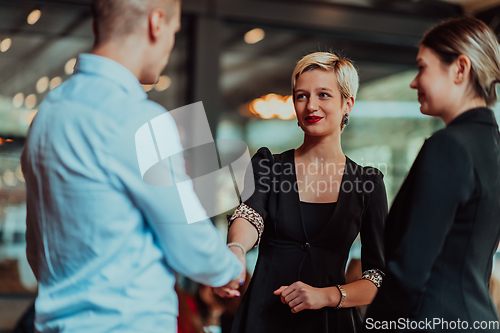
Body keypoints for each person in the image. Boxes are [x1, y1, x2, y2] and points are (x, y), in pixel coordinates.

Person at [20, 0, 243, 332]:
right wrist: (230, 267)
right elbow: (190, 242)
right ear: (156, 23)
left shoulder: (47, 115)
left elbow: (38, 251)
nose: (170, 44)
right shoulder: (140, 120)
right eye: (174, 30)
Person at [214, 51, 388, 333]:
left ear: (348, 104)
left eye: (323, 95)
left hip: (331, 324)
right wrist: (235, 249)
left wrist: (326, 295)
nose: (311, 106)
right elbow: (250, 214)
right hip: (263, 320)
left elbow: (376, 276)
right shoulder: (268, 165)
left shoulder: (367, 183)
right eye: (301, 96)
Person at [364, 17, 500, 332]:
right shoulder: (492, 145)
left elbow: (408, 272)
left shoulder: (450, 146)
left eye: (422, 67)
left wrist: (374, 327)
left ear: (460, 69)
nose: (414, 82)